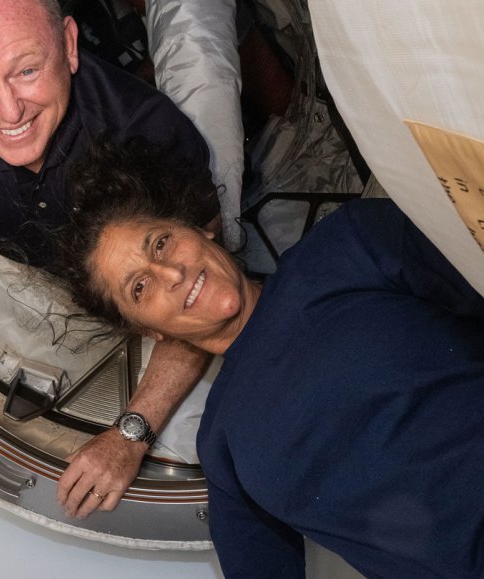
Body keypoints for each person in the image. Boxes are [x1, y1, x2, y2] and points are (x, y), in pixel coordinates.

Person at [56, 138, 484, 577]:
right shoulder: (222, 446)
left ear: (201, 229)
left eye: (162, 243)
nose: (171, 274)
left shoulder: (346, 246)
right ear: (152, 331)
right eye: (139, 288)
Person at [0, 0, 220, 520]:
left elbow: (202, 296)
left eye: (27, 70)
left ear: (70, 46)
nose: (9, 110)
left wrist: (131, 433)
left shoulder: (146, 133)